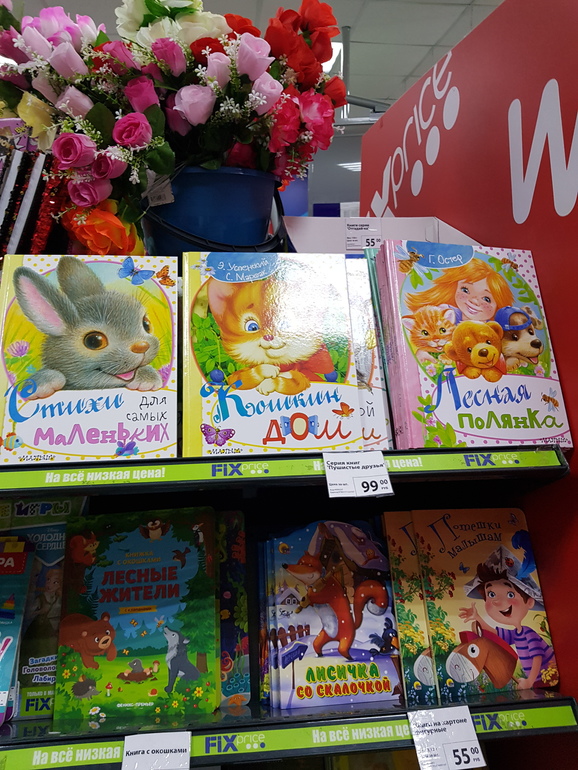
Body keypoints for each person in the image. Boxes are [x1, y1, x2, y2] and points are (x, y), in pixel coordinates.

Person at [458, 545, 557, 689]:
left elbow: (537, 658)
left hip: (547, 678)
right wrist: (477, 617)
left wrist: (529, 681)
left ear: (529, 602)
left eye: (510, 594)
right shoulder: (517, 633)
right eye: (491, 594)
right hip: (538, 682)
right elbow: (496, 634)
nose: (498, 601)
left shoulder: (529, 633)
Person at [406, 257, 514, 323]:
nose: (474, 301)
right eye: (465, 290)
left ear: (498, 305)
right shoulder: (445, 314)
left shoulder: (495, 329)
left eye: (486, 299)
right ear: (454, 288)